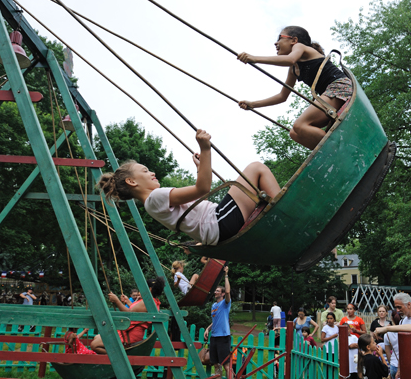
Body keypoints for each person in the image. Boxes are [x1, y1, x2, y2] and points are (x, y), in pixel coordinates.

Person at [97, 130, 281, 246]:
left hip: (216, 229)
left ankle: (279, 211)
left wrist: (200, 169)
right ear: (132, 182)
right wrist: (206, 149)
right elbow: (203, 190)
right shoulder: (155, 197)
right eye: (145, 171)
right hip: (219, 222)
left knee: (254, 182)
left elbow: (198, 203)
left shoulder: (153, 205)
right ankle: (285, 213)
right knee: (256, 168)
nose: (152, 172)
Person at [237, 26, 353, 150]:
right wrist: (253, 104)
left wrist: (254, 58)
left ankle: (343, 149)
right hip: (329, 94)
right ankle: (331, 153)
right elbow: (282, 96)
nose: (276, 43)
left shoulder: (300, 47)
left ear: (294, 40)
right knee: (295, 133)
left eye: (280, 38)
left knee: (300, 125)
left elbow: (290, 59)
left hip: (339, 87)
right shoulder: (293, 69)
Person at [90, 277, 165, 353]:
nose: (140, 290)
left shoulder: (147, 302)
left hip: (128, 336)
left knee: (94, 345)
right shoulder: (151, 302)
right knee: (96, 337)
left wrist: (116, 301)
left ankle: (119, 359)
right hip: (128, 333)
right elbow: (135, 310)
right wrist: (127, 301)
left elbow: (128, 314)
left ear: (150, 289)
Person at [204, 266, 232, 377]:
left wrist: (226, 275)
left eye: (218, 291)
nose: (215, 292)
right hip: (214, 337)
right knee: (216, 364)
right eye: (215, 290)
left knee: (226, 365)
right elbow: (215, 320)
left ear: (223, 294)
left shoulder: (225, 304)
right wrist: (208, 328)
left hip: (223, 337)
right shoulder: (214, 305)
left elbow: (228, 290)